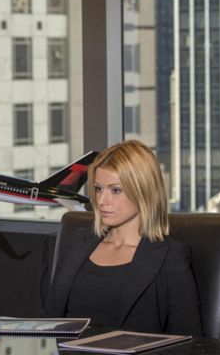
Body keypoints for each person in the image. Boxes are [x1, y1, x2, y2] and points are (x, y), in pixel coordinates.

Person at [43, 140, 203, 335]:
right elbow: (49, 319)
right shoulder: (77, 242)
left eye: (115, 190)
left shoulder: (170, 257)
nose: (102, 200)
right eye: (98, 188)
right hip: (64, 353)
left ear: (143, 191)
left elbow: (190, 340)